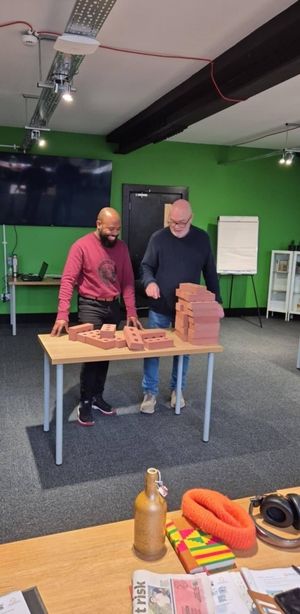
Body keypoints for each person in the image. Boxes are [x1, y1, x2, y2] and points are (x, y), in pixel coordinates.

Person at [51, 207, 141, 426]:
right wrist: (62, 314)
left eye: (118, 230)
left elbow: (128, 282)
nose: (114, 234)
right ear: (98, 224)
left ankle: (97, 396)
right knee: (92, 356)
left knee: (105, 355)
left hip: (113, 307)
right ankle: (85, 401)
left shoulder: (121, 248)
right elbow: (68, 280)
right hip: (90, 305)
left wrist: (131, 311)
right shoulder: (81, 246)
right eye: (110, 229)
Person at [140, 199, 223, 414]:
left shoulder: (202, 239)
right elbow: (146, 266)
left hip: (187, 310)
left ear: (191, 219)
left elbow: (210, 273)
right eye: (172, 222)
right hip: (160, 306)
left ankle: (178, 389)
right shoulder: (158, 238)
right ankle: (150, 392)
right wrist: (150, 282)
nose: (176, 226)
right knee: (152, 351)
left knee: (183, 352)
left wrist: (218, 303)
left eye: (181, 223)